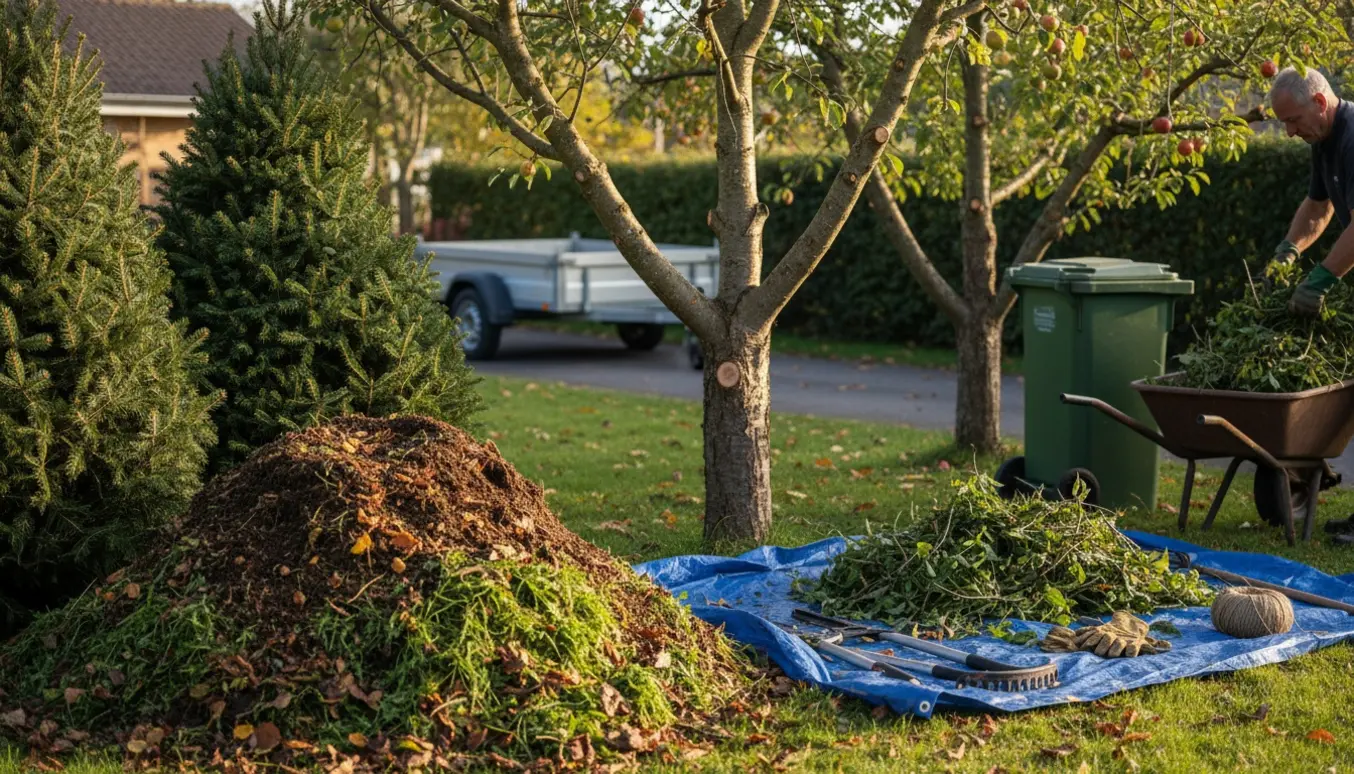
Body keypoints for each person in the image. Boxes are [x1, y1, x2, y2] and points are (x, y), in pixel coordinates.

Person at [1268, 66, 1354, 317]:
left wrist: (1320, 281)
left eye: (1293, 120)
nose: (1290, 132)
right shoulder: (1324, 138)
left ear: (1319, 102)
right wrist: (1288, 250)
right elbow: (1318, 206)